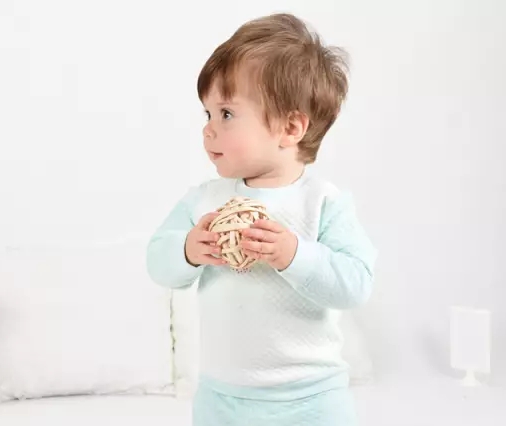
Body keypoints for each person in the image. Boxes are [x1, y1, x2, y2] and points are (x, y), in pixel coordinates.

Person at [146, 12, 377, 426]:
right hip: (223, 399)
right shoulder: (205, 201)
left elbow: (356, 283)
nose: (208, 130)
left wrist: (294, 255)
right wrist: (188, 249)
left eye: (226, 114)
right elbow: (157, 262)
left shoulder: (323, 202)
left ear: (290, 127)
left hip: (312, 400)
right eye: (207, 114)